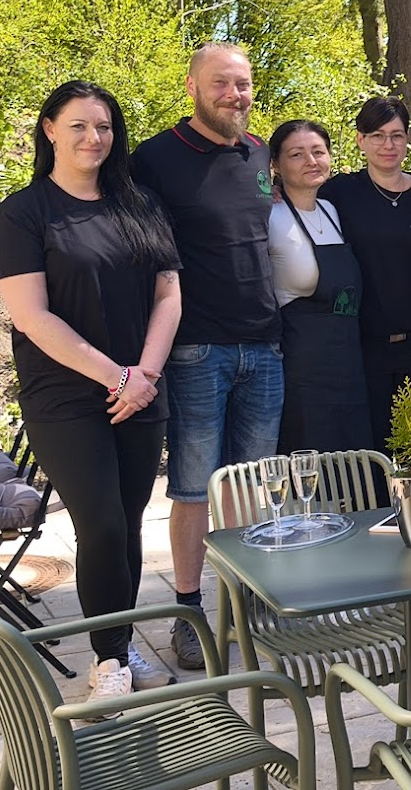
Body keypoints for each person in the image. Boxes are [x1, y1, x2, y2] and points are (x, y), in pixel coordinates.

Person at [0, 80, 182, 702]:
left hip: (141, 389)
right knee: (99, 524)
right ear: (50, 130)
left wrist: (143, 375)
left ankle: (119, 647)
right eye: (78, 125)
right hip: (66, 398)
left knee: (128, 524)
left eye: (103, 126)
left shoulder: (140, 204)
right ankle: (109, 664)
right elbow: (32, 316)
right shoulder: (23, 213)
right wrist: (117, 376)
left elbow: (169, 296)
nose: (93, 137)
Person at [131, 42, 282, 671]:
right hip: (194, 347)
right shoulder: (154, 158)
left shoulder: (260, 153)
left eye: (242, 84)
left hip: (265, 343)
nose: (233, 94)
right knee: (194, 488)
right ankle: (190, 613)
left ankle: (248, 602)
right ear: (192, 86)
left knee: (252, 485)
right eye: (220, 83)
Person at [319, 98, 411, 468]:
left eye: (397, 135)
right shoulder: (338, 193)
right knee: (372, 461)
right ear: (360, 140)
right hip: (363, 349)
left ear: (408, 139)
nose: (388, 145)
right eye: (378, 135)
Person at [265, 120, 371, 455]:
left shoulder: (332, 210)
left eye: (318, 152)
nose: (311, 161)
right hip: (301, 373)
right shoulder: (269, 215)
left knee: (352, 468)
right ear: (275, 164)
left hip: (348, 366)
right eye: (297, 154)